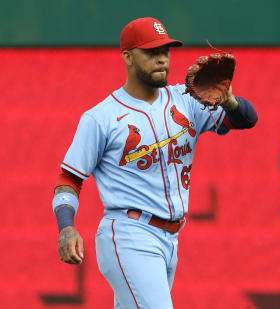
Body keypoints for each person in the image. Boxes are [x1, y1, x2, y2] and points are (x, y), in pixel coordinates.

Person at [52, 17, 257, 309]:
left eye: (166, 51)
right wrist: (66, 227)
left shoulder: (187, 100)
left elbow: (247, 120)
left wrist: (229, 102)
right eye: (151, 52)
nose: (161, 59)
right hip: (129, 235)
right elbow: (69, 179)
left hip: (171, 240)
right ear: (128, 57)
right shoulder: (102, 117)